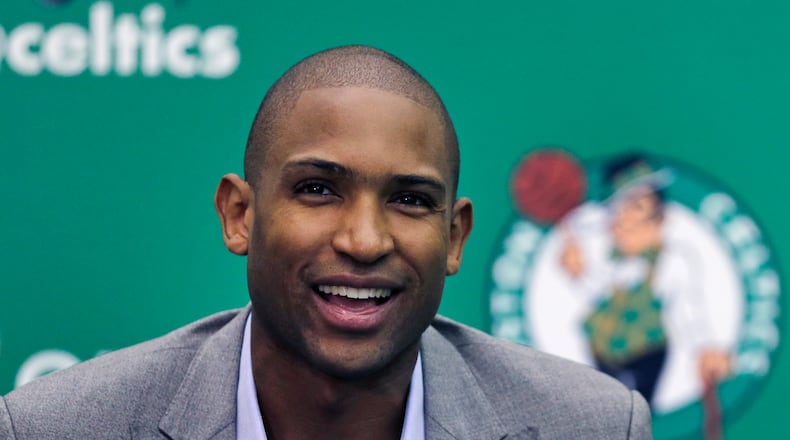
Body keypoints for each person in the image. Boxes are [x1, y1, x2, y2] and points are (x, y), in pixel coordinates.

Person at [0, 46, 651, 439]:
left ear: (454, 238)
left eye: (409, 200)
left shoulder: (591, 426)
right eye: (317, 190)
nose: (364, 240)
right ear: (238, 215)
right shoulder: (55, 428)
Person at [560, 155, 732, 407]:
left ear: (660, 218)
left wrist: (705, 348)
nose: (625, 221)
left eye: (638, 209)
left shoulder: (674, 261)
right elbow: (598, 292)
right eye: (620, 212)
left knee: (638, 413)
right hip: (602, 351)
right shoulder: (609, 259)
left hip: (646, 352)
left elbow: (689, 308)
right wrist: (578, 273)